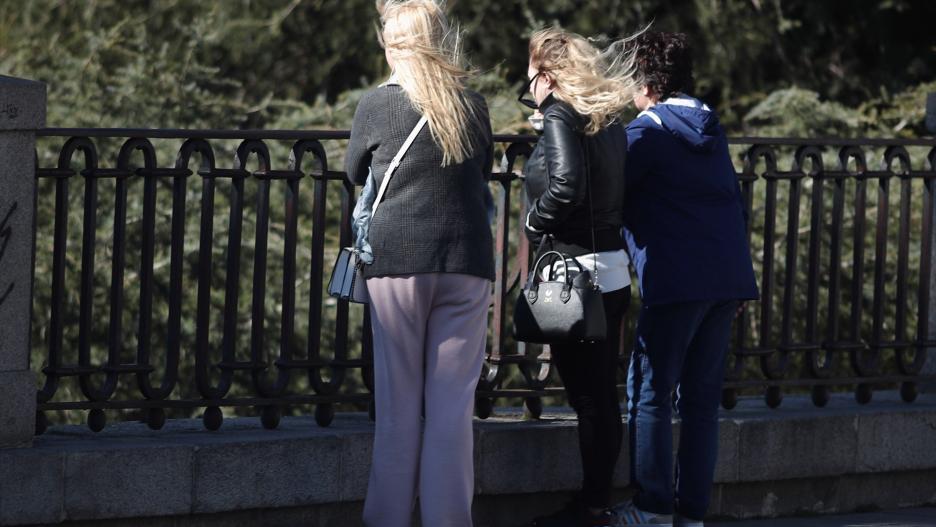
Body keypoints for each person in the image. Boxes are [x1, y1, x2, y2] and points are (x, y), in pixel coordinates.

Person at [344, 1, 494, 525]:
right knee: (452, 414)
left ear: (392, 45)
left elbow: (354, 170)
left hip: (397, 264)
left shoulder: (376, 106)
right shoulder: (472, 106)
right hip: (467, 262)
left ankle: (386, 518)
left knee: (399, 411)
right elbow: (484, 169)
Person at [613, 32, 759, 526]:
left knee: (650, 390)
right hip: (726, 278)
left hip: (677, 280)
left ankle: (652, 508)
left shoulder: (646, 132)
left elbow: (608, 191)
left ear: (646, 83)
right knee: (699, 400)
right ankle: (691, 513)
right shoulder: (709, 128)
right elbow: (732, 205)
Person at [519, 27, 638, 527]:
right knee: (602, 394)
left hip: (575, 271)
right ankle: (597, 500)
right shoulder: (606, 118)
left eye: (531, 74)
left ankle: (592, 507)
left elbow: (565, 185)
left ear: (546, 73)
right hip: (611, 271)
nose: (528, 83)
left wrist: (534, 220)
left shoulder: (562, 112)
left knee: (588, 398)